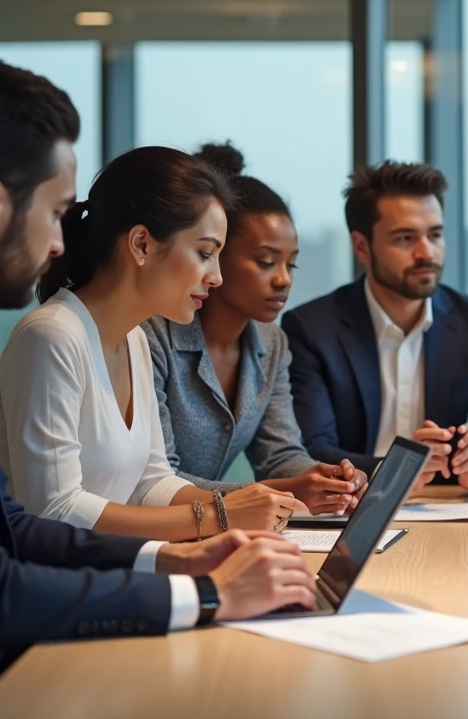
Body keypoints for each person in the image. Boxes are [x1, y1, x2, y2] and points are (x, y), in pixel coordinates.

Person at [0, 60, 315, 713]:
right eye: (56, 211)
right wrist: (207, 594)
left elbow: (10, 526)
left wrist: (180, 561)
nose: (61, 238)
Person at [0, 144, 306, 542]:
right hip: (45, 589)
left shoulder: (134, 338)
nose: (216, 277)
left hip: (106, 572)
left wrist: (253, 502)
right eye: (205, 253)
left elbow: (151, 483)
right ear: (141, 244)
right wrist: (222, 515)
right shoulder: (51, 337)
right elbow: (54, 510)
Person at [282, 161, 468, 493]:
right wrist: (397, 470)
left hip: (449, 509)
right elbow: (311, 449)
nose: (426, 252)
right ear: (361, 247)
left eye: (435, 235)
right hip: (352, 508)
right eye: (405, 238)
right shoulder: (311, 328)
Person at [143, 142, 367, 514]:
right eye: (266, 262)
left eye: (291, 265)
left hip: (212, 528)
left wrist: (325, 479)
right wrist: (280, 492)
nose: (283, 280)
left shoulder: (271, 342)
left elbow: (280, 454)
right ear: (215, 253)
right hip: (159, 530)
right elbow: (159, 479)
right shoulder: (154, 335)